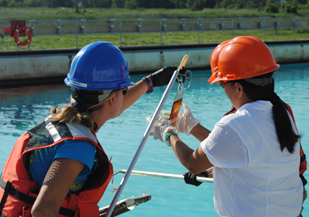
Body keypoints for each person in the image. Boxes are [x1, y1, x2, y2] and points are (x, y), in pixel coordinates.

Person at [0, 41, 178, 217]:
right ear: (112, 99)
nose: (125, 95)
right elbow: (42, 211)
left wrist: (150, 81)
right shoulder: (77, 146)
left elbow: (113, 105)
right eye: (124, 91)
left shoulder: (63, 122)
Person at [148, 36, 303, 216]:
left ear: (238, 87)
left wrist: (168, 133)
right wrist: (192, 127)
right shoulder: (280, 113)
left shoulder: (236, 123)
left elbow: (192, 163)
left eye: (222, 83)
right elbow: (237, 145)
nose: (222, 89)